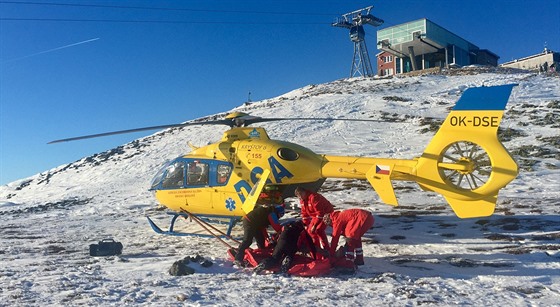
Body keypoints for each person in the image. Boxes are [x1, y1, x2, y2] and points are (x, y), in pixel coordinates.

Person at [253, 220, 317, 274]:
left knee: (274, 258)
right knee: (289, 255)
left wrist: (274, 245)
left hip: (280, 244)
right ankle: (285, 263)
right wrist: (314, 256)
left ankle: (263, 264)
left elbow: (276, 237)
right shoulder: (302, 231)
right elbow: (310, 243)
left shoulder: (285, 227)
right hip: (291, 245)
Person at [294, 187, 334, 253]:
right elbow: (304, 213)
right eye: (298, 196)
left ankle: (326, 250)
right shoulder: (302, 200)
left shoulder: (314, 198)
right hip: (315, 216)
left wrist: (314, 226)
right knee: (310, 232)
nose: (300, 197)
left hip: (326, 214)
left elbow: (320, 213)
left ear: (304, 192)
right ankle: (316, 251)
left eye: (300, 194)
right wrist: (305, 225)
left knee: (318, 230)